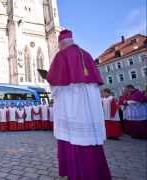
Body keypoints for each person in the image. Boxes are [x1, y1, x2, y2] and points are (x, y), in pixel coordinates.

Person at [46, 29, 111, 180]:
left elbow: (55, 85)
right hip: (89, 107)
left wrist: (52, 87)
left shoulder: (61, 55)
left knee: (73, 138)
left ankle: (78, 173)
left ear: (62, 43)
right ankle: (96, 172)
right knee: (89, 138)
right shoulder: (86, 54)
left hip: (71, 104)